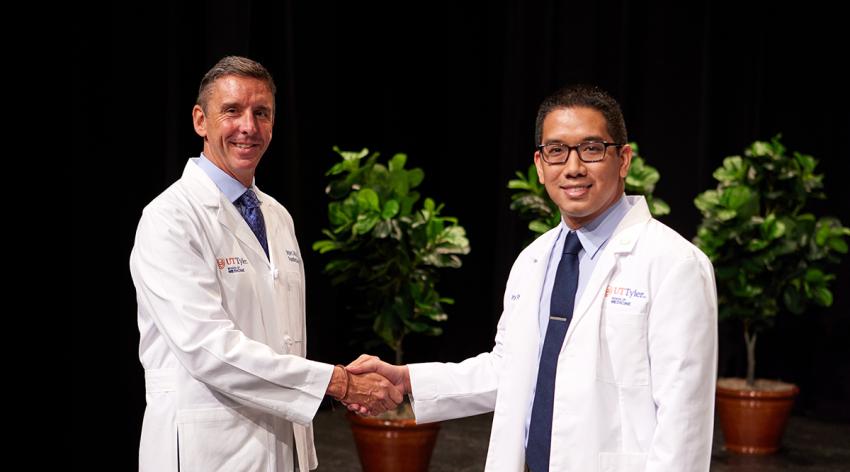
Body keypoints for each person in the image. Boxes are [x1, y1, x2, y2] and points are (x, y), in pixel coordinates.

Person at [347, 84, 718, 471]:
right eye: (557, 151)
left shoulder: (674, 263)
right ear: (540, 166)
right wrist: (407, 379)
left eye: (591, 149)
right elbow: (509, 370)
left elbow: (684, 420)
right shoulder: (534, 259)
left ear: (623, 159)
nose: (573, 167)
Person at [129, 56, 402, 472]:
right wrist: (339, 382)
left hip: (285, 448)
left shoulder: (277, 216)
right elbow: (209, 350)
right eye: (232, 111)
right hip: (207, 453)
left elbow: (287, 340)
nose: (248, 127)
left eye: (262, 113)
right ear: (200, 120)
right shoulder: (169, 218)